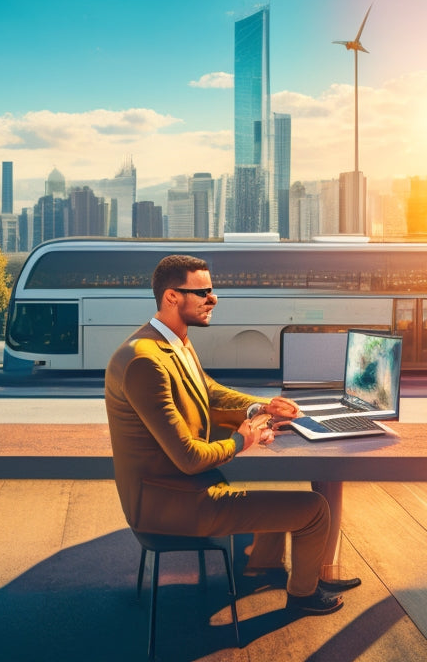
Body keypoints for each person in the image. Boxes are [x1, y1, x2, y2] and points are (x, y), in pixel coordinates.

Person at [105, 254, 347, 614]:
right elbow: (188, 458)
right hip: (173, 504)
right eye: (202, 291)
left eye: (212, 290)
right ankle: (302, 598)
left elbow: (210, 391)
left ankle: (261, 566)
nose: (213, 299)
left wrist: (264, 407)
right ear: (171, 297)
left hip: (180, 491)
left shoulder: (171, 343)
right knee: (314, 509)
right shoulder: (145, 362)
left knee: (278, 496)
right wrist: (242, 440)